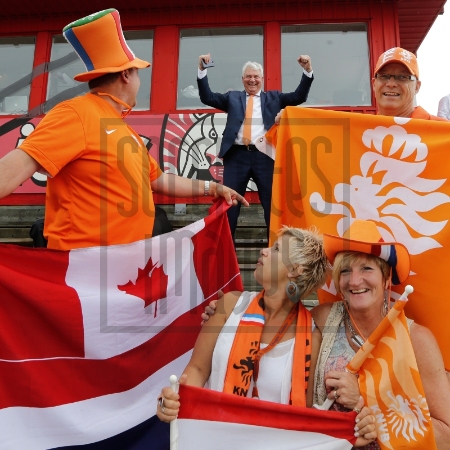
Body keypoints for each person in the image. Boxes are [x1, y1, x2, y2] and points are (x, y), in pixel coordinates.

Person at [0, 9, 248, 251]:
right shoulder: (76, 113)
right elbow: (15, 167)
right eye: (138, 73)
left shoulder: (123, 128)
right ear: (127, 75)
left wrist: (212, 188)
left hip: (127, 266)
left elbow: (159, 180)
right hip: (85, 267)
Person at [156, 226, 377, 447]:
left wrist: (347, 434)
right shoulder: (229, 305)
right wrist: (175, 400)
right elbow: (197, 369)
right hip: (212, 440)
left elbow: (306, 414)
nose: (264, 251)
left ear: (295, 270)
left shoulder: (312, 335)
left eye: (277, 249)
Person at [312, 219, 450, 449]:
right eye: (345, 271)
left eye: (366, 268)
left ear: (386, 278)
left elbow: (446, 436)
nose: (354, 280)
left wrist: (365, 401)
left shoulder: (417, 340)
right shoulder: (323, 320)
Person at [197, 54, 313, 242]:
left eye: (256, 76)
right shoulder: (232, 97)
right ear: (242, 79)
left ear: (262, 79)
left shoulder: (274, 97)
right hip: (236, 157)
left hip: (264, 156)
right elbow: (207, 97)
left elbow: (299, 96)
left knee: (272, 205)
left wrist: (307, 71)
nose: (252, 80)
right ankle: (227, 252)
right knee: (229, 205)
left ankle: (275, 250)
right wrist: (202, 70)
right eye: (248, 76)